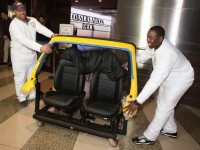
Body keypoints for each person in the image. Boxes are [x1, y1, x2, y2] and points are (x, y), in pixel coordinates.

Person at [124, 26, 194, 145]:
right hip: (169, 77)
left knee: (164, 107)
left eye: (151, 37)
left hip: (181, 80)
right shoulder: (154, 45)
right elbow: (144, 55)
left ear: (161, 38)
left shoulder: (168, 54)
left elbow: (154, 82)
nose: (148, 40)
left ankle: (149, 137)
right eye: (147, 37)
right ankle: (170, 130)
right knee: (163, 102)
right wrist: (131, 61)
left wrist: (137, 102)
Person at [9, 2, 56, 106]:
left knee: (32, 75)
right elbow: (23, 40)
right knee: (20, 77)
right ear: (15, 12)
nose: (22, 12)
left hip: (31, 54)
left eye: (23, 9)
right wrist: (40, 47)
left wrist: (52, 34)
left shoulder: (32, 20)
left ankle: (32, 94)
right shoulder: (14, 25)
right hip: (19, 55)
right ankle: (21, 97)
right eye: (19, 10)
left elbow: (41, 29)